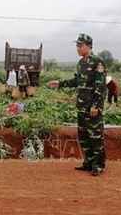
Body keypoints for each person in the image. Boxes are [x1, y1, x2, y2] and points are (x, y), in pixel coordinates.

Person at [47, 33, 106, 177]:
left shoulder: (97, 62)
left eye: (80, 45)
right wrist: (60, 83)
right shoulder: (81, 63)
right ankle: (88, 162)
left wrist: (96, 106)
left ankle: (98, 165)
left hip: (92, 107)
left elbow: (101, 86)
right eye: (77, 45)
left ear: (89, 46)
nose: (78, 48)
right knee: (84, 137)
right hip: (81, 106)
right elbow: (76, 81)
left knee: (95, 137)